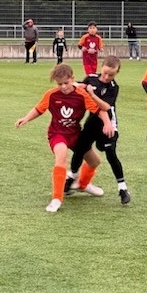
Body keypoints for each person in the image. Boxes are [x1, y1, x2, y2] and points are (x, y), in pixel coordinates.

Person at [15, 63, 114, 213]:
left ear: (72, 79)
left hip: (75, 134)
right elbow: (39, 109)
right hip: (57, 134)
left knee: (95, 161)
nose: (63, 87)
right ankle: (56, 198)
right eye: (59, 84)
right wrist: (26, 118)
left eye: (66, 83)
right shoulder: (51, 94)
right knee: (61, 157)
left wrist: (107, 123)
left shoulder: (81, 94)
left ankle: (83, 184)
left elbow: (99, 110)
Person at [65, 55, 131, 205]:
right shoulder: (91, 78)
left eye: (111, 75)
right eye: (105, 73)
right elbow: (78, 87)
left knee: (110, 153)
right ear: (101, 67)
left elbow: (105, 107)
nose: (107, 77)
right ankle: (72, 177)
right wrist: (74, 85)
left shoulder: (113, 87)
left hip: (108, 124)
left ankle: (122, 188)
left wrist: (92, 94)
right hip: (92, 122)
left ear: (117, 73)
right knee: (80, 148)